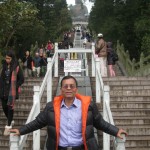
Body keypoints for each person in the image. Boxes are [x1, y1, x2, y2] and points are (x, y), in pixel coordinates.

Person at [10, 75, 127, 150]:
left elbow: (101, 123)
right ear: (61, 89)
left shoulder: (89, 106)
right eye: (65, 86)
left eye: (72, 86)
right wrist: (21, 131)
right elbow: (37, 123)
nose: (69, 88)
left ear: (76, 89)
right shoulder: (51, 107)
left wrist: (116, 131)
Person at [0, 50, 24, 136]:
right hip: (3, 90)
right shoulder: (4, 66)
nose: (7, 60)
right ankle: (10, 119)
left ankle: (8, 125)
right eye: (6, 58)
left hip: (11, 91)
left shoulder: (16, 67)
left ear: (12, 58)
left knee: (10, 107)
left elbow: (22, 79)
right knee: (4, 107)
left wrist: (15, 86)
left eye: (8, 58)